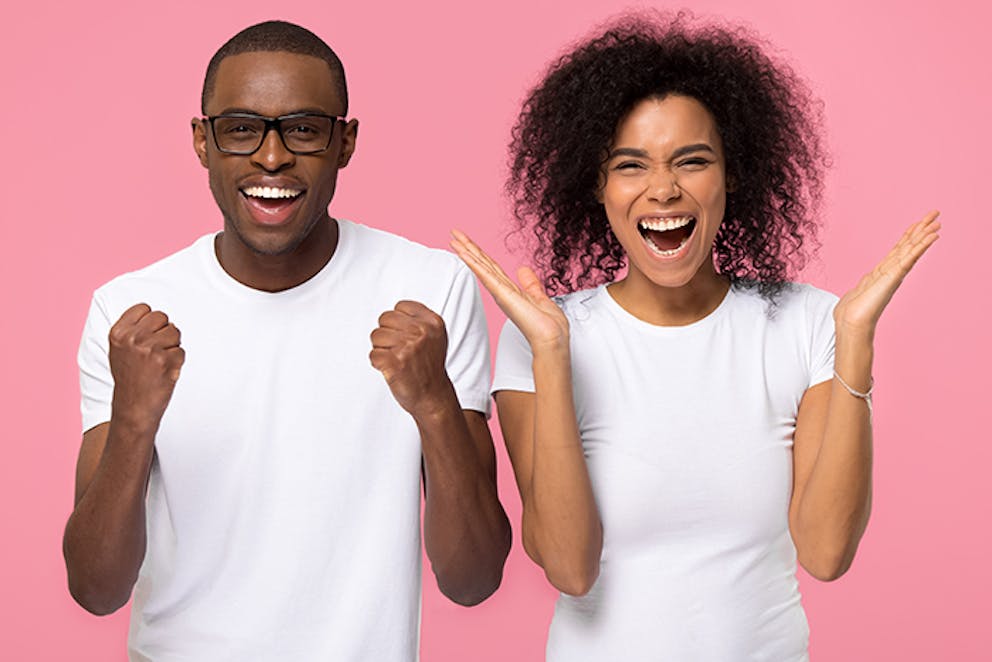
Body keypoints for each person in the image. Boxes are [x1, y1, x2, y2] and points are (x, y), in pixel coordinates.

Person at [450, 13, 939, 661]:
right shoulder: (543, 336)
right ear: (595, 186)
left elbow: (824, 553)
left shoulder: (808, 325)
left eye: (692, 161)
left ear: (732, 174)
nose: (663, 190)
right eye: (630, 165)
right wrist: (552, 355)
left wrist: (853, 340)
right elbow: (569, 566)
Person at [63, 20, 511, 661]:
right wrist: (134, 421)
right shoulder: (131, 314)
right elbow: (95, 588)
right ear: (202, 140)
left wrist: (435, 404)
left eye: (302, 129)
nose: (271, 158)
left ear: (345, 141)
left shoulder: (430, 290)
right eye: (241, 128)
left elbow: (473, 580)